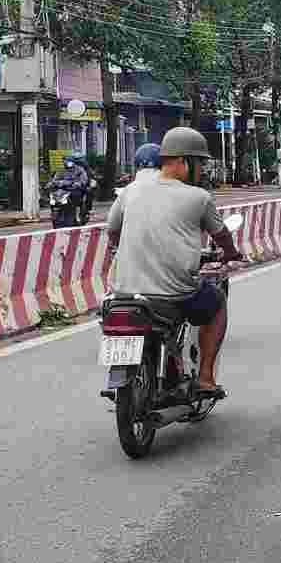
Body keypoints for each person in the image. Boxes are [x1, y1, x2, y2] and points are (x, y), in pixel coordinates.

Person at [106, 126, 243, 398]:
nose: (201, 172)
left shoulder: (131, 191)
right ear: (183, 162)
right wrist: (231, 254)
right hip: (174, 295)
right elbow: (222, 235)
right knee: (216, 302)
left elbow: (113, 232)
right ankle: (205, 377)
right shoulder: (198, 197)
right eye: (199, 164)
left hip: (123, 292)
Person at [51, 154, 92, 224]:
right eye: (65, 161)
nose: (66, 163)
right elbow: (55, 180)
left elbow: (83, 179)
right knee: (54, 198)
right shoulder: (61, 170)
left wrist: (78, 183)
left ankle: (78, 215)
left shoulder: (79, 169)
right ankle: (56, 214)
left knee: (77, 197)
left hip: (75, 189)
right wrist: (59, 183)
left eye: (68, 161)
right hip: (64, 190)